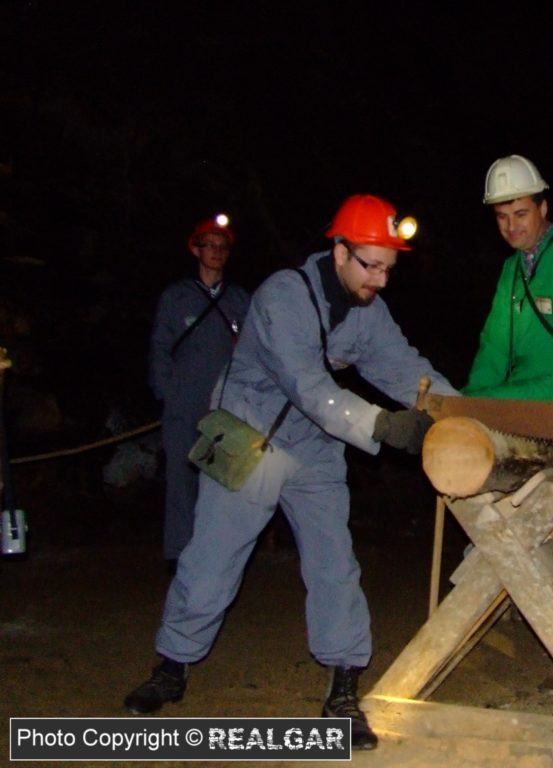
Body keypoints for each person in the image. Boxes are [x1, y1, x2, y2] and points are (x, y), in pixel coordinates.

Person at [124, 194, 458, 750]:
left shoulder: (369, 309)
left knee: (334, 560)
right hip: (250, 433)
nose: (380, 279)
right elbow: (309, 386)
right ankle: (172, 666)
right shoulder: (284, 294)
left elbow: (407, 370)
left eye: (388, 268)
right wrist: (384, 427)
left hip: (315, 445)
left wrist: (464, 416)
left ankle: (344, 685)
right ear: (339, 250)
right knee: (211, 559)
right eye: (370, 265)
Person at [463, 154, 553, 403]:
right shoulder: (511, 268)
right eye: (502, 216)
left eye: (520, 214)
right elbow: (494, 351)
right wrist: (467, 401)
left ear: (542, 208)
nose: (511, 226)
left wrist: (542, 406)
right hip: (521, 403)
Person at [148, 215, 250, 571]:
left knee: (222, 482)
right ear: (196, 249)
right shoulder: (176, 297)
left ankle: (216, 556)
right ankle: (179, 554)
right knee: (181, 479)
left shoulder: (238, 299)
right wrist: (166, 393)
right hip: (184, 403)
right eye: (210, 244)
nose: (216, 252)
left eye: (223, 247)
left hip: (226, 407)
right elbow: (160, 347)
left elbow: (252, 350)